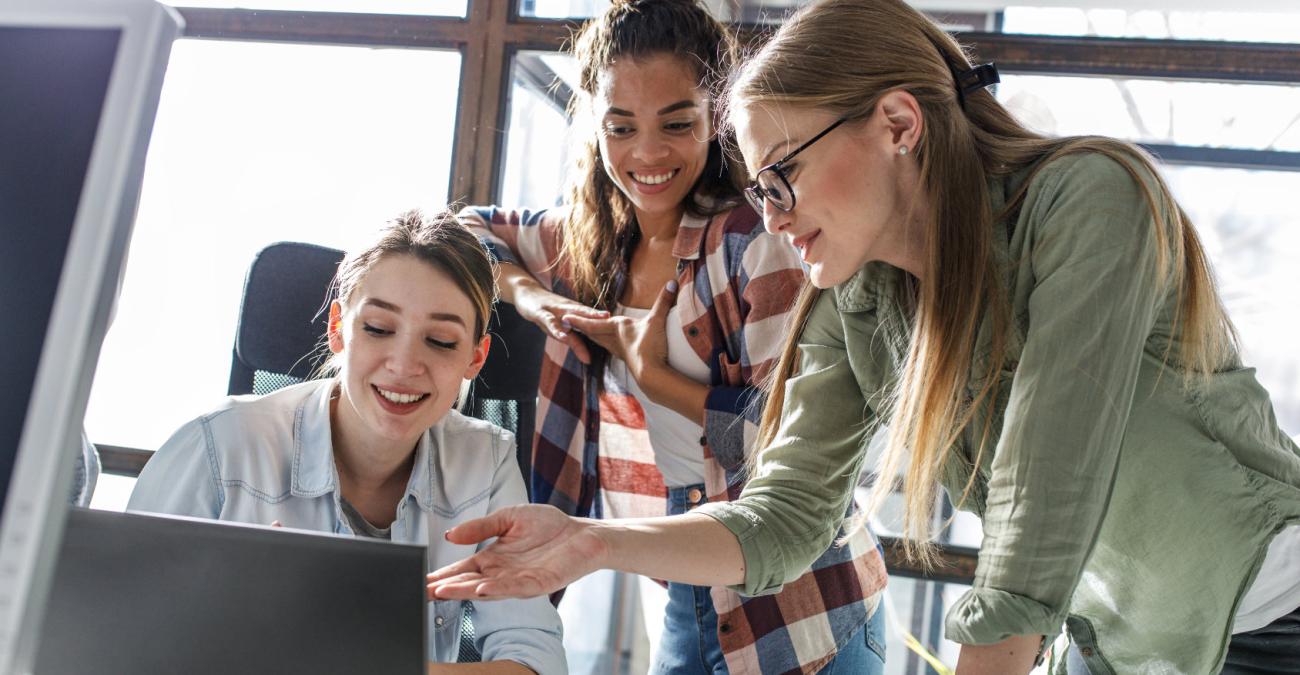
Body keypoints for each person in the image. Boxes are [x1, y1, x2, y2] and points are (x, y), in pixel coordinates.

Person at [430, 1, 1300, 673]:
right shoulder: (857, 301)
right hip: (1130, 646)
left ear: (897, 123)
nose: (773, 215)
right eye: (761, 191)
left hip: (1273, 615)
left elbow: (1048, 482)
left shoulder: (1088, 199)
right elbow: (785, 513)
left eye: (783, 175)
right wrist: (597, 543)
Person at [458, 1, 887, 673]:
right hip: (685, 579)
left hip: (801, 599)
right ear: (594, 127)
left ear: (717, 117)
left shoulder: (757, 239)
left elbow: (799, 448)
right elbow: (466, 230)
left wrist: (657, 376)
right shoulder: (588, 240)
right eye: (621, 127)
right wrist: (531, 293)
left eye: (677, 123)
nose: (647, 154)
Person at [129, 209, 566, 675]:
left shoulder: (487, 461)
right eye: (378, 329)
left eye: (440, 340)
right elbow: (120, 637)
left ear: (474, 358)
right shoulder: (217, 449)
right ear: (338, 328)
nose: (404, 365)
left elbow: (534, 662)